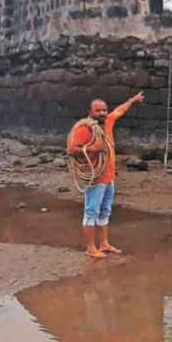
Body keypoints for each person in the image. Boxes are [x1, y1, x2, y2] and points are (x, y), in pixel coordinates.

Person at [65, 92, 144, 259]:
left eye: (104, 110)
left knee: (105, 211)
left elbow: (118, 112)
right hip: (95, 177)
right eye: (98, 110)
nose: (102, 113)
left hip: (109, 178)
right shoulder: (84, 128)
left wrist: (132, 100)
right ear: (90, 112)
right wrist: (93, 149)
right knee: (91, 211)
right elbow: (71, 150)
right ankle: (90, 248)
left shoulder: (107, 122)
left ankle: (104, 243)